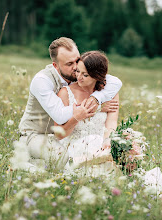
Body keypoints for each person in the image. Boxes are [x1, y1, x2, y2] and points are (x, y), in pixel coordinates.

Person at [55, 51, 162, 201]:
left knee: (122, 150)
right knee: (99, 150)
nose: (79, 77)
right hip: (75, 147)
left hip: (101, 145)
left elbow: (111, 122)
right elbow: (60, 134)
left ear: (97, 76)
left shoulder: (109, 93)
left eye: (85, 75)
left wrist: (108, 141)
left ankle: (154, 193)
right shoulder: (65, 93)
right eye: (78, 72)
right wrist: (77, 117)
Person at [18, 37, 122, 170]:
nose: (75, 67)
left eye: (77, 60)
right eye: (69, 64)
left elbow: (116, 82)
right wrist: (97, 108)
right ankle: (26, 166)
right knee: (61, 157)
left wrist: (96, 99)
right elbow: (60, 116)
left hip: (60, 137)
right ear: (56, 66)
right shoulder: (42, 81)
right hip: (35, 135)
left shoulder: (80, 75)